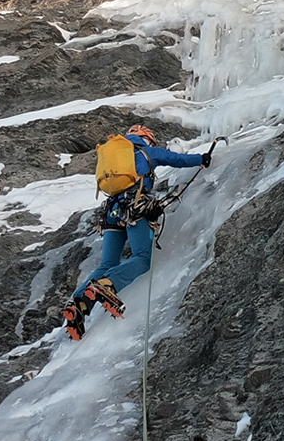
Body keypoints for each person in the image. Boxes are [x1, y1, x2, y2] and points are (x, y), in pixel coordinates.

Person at [63, 125, 211, 340]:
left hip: (112, 211)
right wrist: (202, 159)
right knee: (142, 258)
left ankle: (77, 304)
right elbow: (175, 159)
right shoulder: (145, 150)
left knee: (107, 264)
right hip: (134, 207)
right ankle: (106, 285)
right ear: (147, 138)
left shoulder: (115, 153)